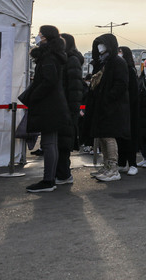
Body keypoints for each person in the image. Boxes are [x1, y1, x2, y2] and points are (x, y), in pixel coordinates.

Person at [24, 26, 71, 192]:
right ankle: (49, 178)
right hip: (53, 104)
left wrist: (34, 95)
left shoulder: (49, 56)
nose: (38, 36)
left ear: (45, 37)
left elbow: (48, 81)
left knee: (49, 142)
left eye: (40, 34)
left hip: (49, 104)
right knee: (50, 142)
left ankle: (48, 180)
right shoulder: (54, 55)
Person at [87, 33, 130, 182]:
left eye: (102, 44)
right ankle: (106, 166)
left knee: (109, 137)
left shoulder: (117, 62)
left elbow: (121, 85)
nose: (100, 47)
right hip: (103, 106)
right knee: (103, 137)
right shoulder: (103, 63)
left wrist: (107, 98)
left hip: (112, 107)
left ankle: (113, 168)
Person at [56, 33, 85, 185]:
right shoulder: (64, 58)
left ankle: (64, 174)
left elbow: (75, 88)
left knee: (64, 143)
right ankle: (61, 173)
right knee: (60, 142)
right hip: (64, 107)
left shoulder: (71, 59)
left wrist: (72, 109)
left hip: (67, 108)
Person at [118, 47, 140, 176]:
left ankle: (132, 164)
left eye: (120, 52)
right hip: (121, 109)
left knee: (129, 138)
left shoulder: (130, 70)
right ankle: (121, 163)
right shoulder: (121, 70)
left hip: (130, 110)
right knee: (120, 138)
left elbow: (133, 93)